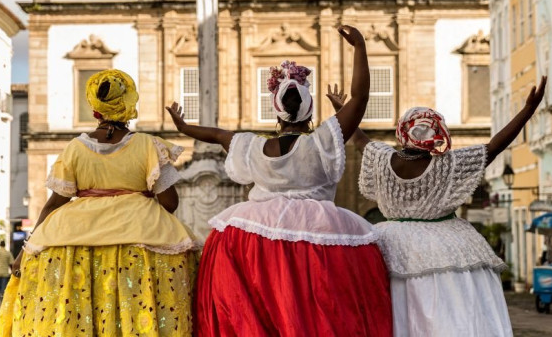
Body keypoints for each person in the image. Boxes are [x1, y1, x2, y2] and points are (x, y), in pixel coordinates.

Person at [167, 25, 393, 336]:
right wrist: (359, 48)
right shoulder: (323, 141)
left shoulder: (253, 147)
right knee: (316, 309)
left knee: (265, 307)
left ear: (277, 113)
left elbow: (216, 134)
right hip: (319, 233)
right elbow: (361, 96)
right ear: (309, 111)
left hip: (254, 236)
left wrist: (183, 126)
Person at [327, 76, 547, 337]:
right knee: (451, 310)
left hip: (388, 244)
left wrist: (342, 110)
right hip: (447, 244)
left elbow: (358, 137)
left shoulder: (382, 158)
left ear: (402, 132)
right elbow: (495, 146)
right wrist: (528, 111)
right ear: (437, 134)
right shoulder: (448, 165)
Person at [0, 70, 200, 336]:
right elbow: (170, 202)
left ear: (95, 108)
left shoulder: (75, 148)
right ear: (129, 102)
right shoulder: (148, 145)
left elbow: (54, 203)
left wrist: (24, 252)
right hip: (141, 239)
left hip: (72, 242)